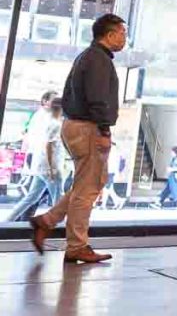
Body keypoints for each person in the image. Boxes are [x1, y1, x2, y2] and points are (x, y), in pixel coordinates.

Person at [30, 14, 127, 263]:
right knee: (87, 190)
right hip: (88, 127)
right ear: (109, 34)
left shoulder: (89, 56)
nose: (124, 38)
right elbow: (97, 98)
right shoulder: (98, 60)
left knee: (89, 184)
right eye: (122, 33)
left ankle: (47, 221)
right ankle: (76, 246)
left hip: (76, 125)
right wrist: (104, 130)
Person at [7, 97, 63, 222]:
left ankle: (8, 221)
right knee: (58, 200)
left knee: (31, 197)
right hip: (50, 167)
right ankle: (61, 226)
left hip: (40, 166)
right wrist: (51, 168)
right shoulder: (56, 124)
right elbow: (49, 146)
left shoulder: (46, 122)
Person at [99, 142, 127, 210]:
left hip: (110, 172)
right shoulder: (113, 151)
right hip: (110, 172)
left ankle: (105, 204)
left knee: (106, 188)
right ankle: (118, 201)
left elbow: (111, 163)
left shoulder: (113, 152)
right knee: (108, 188)